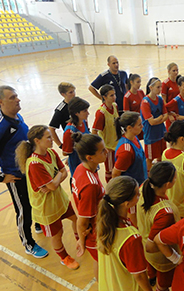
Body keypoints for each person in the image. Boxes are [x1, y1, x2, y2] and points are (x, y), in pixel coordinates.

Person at [0, 86, 48, 258]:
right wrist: (0, 177)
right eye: (13, 98)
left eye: (17, 96)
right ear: (1, 102)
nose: (18, 100)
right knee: (23, 210)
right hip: (16, 176)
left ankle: (38, 224)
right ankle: (29, 244)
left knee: (36, 200)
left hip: (31, 171)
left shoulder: (18, 117)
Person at [16, 125, 79, 269]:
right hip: (46, 208)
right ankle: (64, 258)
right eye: (49, 137)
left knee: (75, 219)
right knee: (58, 234)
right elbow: (53, 184)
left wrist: (55, 179)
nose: (52, 139)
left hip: (59, 199)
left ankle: (80, 240)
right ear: (37, 141)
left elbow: (63, 172)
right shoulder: (34, 164)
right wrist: (57, 178)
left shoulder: (51, 153)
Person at [97, 176, 152, 291]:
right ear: (127, 204)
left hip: (109, 285)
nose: (140, 196)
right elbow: (140, 275)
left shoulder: (104, 223)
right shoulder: (131, 238)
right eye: (137, 194)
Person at [137, 161, 180, 291]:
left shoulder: (144, 187)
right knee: (163, 285)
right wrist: (176, 258)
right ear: (168, 184)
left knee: (152, 268)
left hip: (144, 244)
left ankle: (151, 276)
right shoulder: (164, 213)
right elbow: (152, 246)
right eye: (175, 178)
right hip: (162, 256)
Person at [71, 132, 107, 280]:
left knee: (99, 262)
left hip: (96, 229)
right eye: (102, 151)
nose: (106, 152)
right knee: (102, 264)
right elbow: (82, 220)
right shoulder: (90, 185)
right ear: (89, 157)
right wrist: (81, 240)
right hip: (94, 234)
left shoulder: (82, 168)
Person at [92, 84, 119, 183]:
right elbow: (94, 132)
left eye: (114, 94)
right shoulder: (101, 113)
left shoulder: (115, 106)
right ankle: (111, 189)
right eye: (111, 95)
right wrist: (102, 147)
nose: (114, 97)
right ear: (104, 97)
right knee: (110, 171)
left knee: (118, 168)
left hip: (117, 143)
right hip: (109, 148)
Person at [112, 111, 147, 185]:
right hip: (132, 188)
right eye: (139, 125)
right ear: (129, 128)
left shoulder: (134, 137)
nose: (142, 126)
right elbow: (115, 174)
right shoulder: (126, 151)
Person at [141, 77, 168, 171]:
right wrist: (160, 118)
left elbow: (166, 115)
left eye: (161, 87)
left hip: (161, 133)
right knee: (149, 158)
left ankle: (160, 174)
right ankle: (148, 177)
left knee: (161, 156)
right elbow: (151, 122)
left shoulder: (160, 99)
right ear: (151, 87)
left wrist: (158, 119)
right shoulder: (145, 102)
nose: (160, 90)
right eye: (158, 87)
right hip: (150, 135)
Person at [62, 97, 90, 177]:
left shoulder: (84, 121)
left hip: (88, 160)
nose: (88, 113)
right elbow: (65, 152)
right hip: (78, 165)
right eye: (85, 111)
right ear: (76, 113)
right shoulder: (69, 131)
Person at [48, 82, 76, 149]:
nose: (74, 94)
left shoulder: (77, 103)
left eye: (74, 91)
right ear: (63, 94)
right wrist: (60, 145)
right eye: (70, 92)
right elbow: (51, 128)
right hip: (72, 141)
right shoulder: (60, 110)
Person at [124, 73, 145, 140]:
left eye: (140, 82)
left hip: (143, 121)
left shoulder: (141, 92)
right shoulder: (127, 97)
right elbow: (126, 114)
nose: (139, 84)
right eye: (138, 82)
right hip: (135, 124)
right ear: (131, 82)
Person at [162, 62, 180, 129]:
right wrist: (168, 114)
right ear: (169, 71)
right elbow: (164, 101)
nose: (176, 72)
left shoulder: (179, 82)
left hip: (179, 111)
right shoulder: (165, 83)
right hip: (171, 112)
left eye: (177, 70)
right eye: (174, 71)